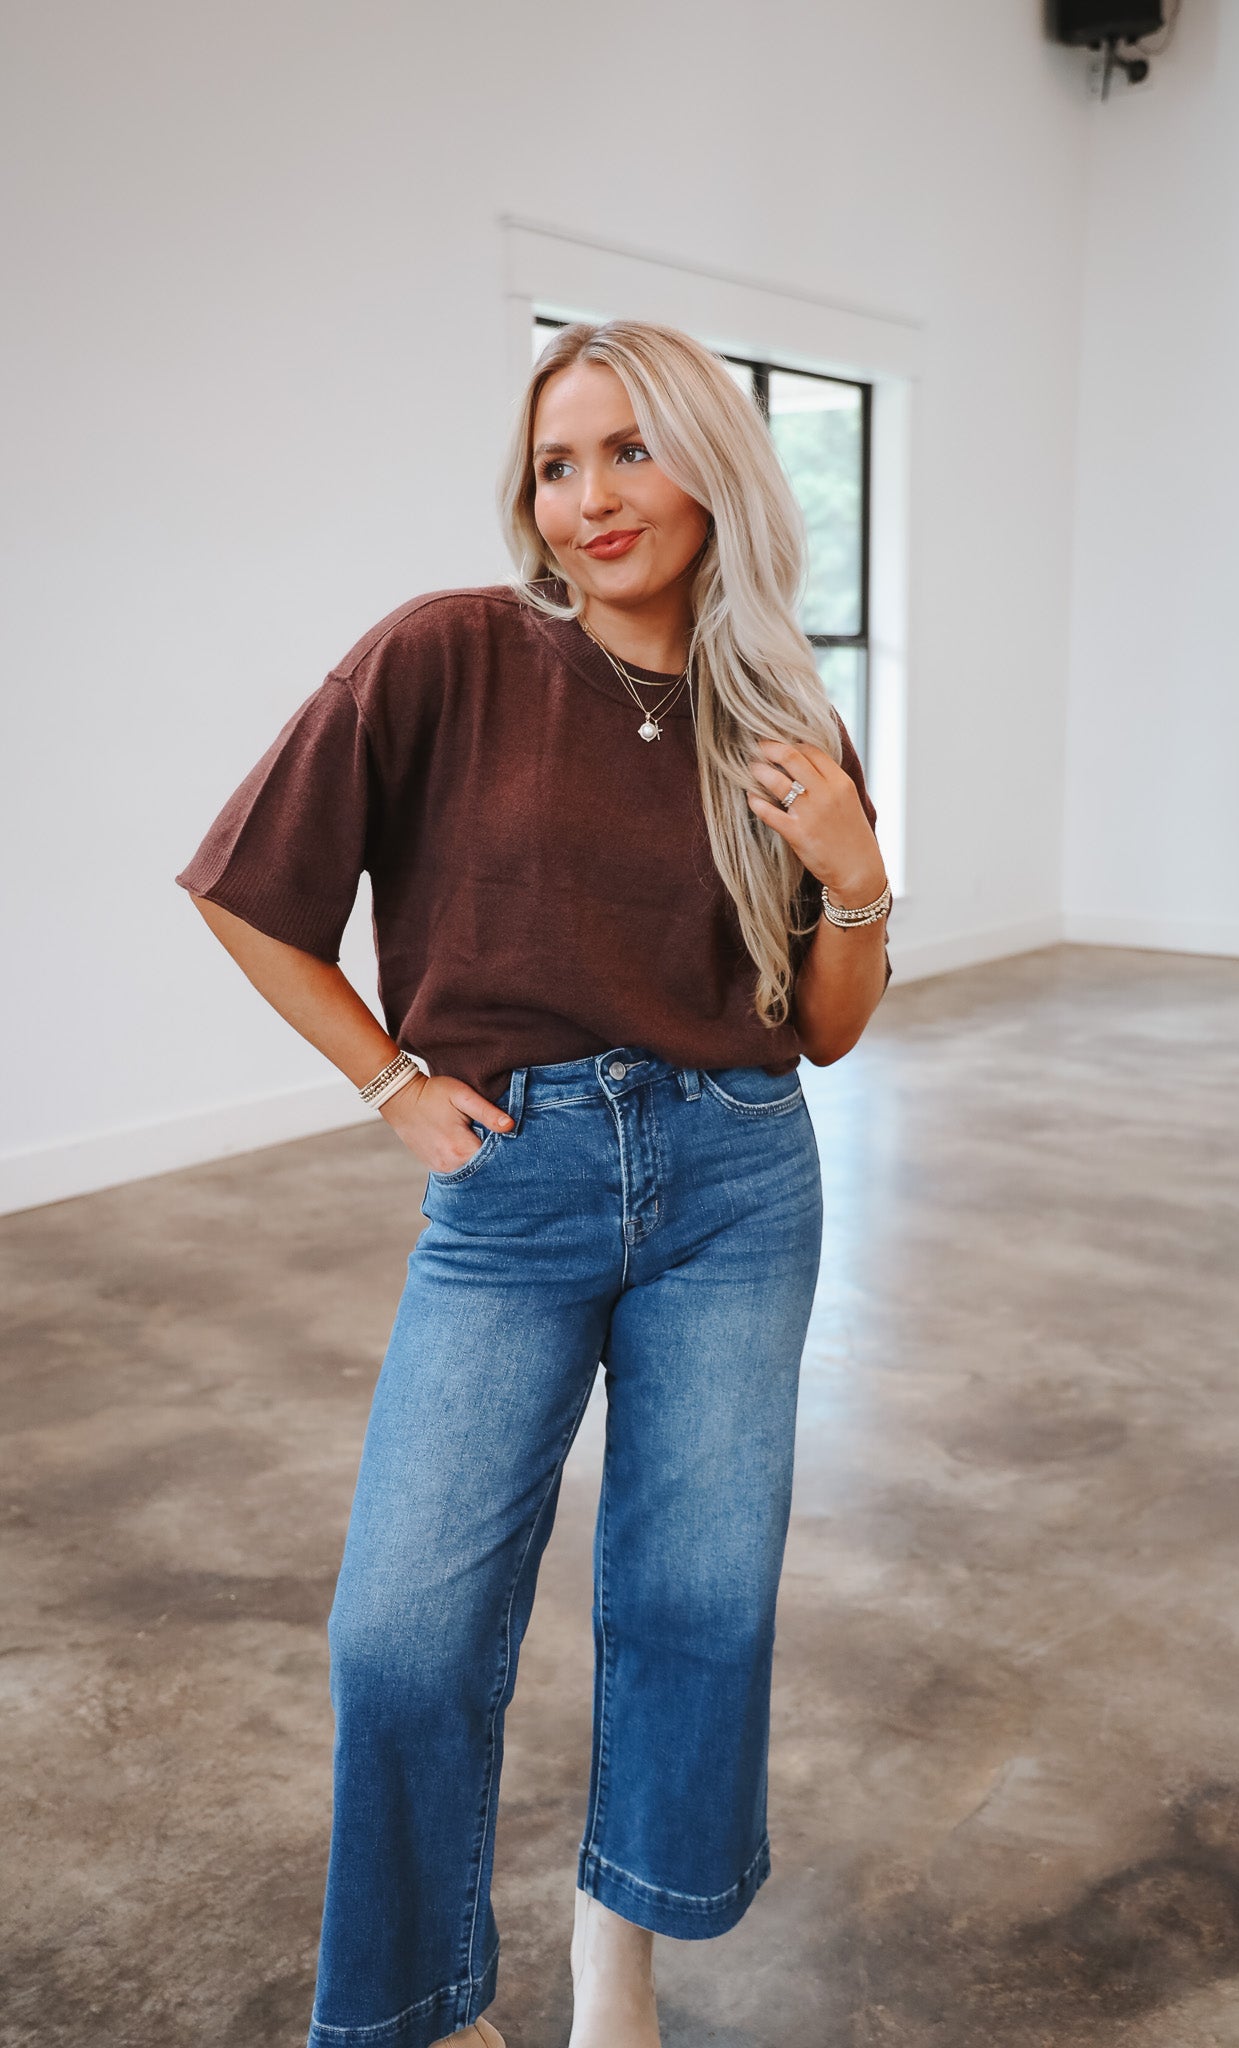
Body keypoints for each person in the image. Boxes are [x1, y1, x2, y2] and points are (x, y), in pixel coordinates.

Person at [174, 318, 892, 2048]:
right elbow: (243, 888)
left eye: (631, 451)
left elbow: (824, 1029)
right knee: (401, 1634)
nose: (591, 498)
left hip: (739, 1180)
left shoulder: (780, 713)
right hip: (517, 1186)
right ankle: (421, 2006)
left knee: (695, 1601)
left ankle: (614, 1956)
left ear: (716, 473)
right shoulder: (448, 653)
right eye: (557, 465)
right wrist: (390, 1082)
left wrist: (854, 873)